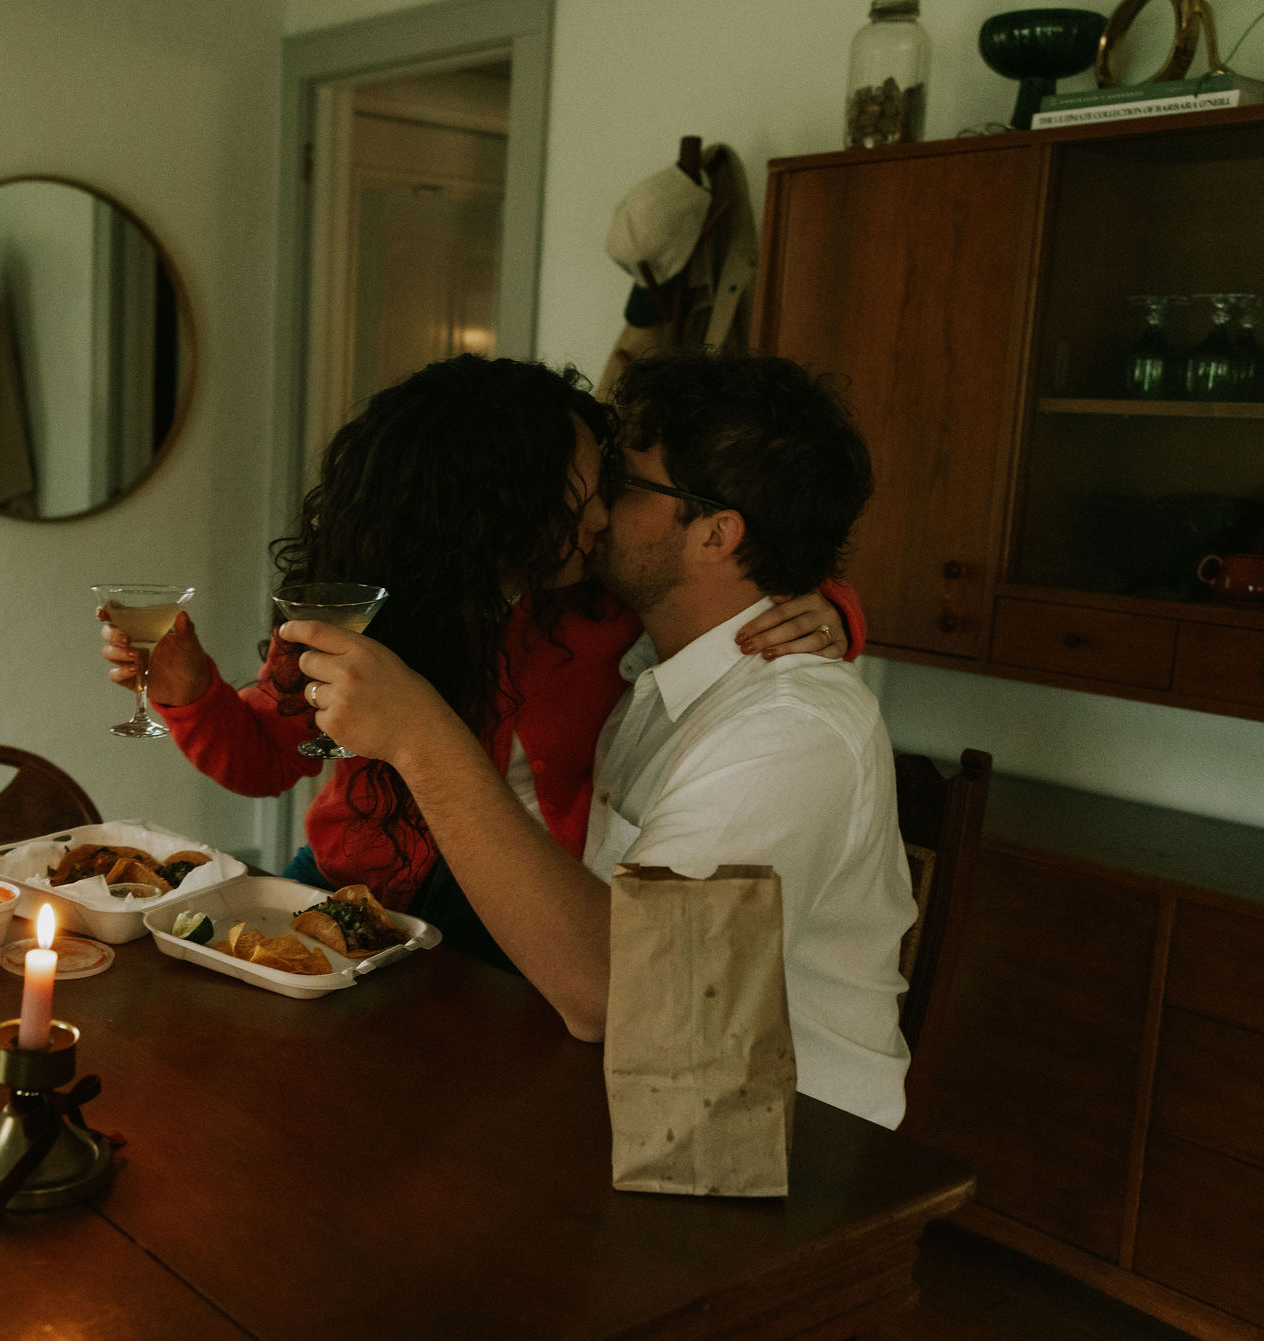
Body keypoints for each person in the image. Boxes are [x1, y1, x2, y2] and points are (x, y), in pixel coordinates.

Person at [283, 351, 917, 1129]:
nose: (596, 509)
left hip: (777, 1145)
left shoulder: (786, 732)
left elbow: (620, 995)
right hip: (637, 1106)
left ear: (717, 533)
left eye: (625, 483)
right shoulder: (651, 671)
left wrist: (419, 736)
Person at [99, 354, 864, 956]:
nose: (603, 515)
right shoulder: (376, 602)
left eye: (614, 486)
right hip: (352, 880)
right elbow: (270, 756)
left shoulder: (603, 602)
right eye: (591, 491)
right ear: (505, 500)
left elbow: (730, 574)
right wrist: (193, 692)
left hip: (519, 901)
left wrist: (834, 607)